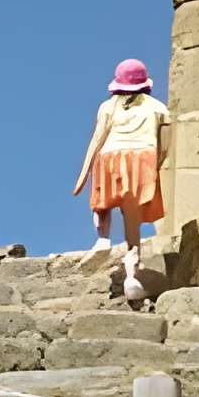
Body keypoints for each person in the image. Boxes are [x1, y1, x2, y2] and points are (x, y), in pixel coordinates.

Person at [73, 58, 170, 300]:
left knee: (102, 203)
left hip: (111, 157)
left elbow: (97, 140)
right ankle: (131, 276)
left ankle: (102, 239)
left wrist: (84, 175)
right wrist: (156, 164)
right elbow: (166, 144)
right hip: (142, 158)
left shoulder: (108, 107)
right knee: (132, 225)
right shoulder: (158, 107)